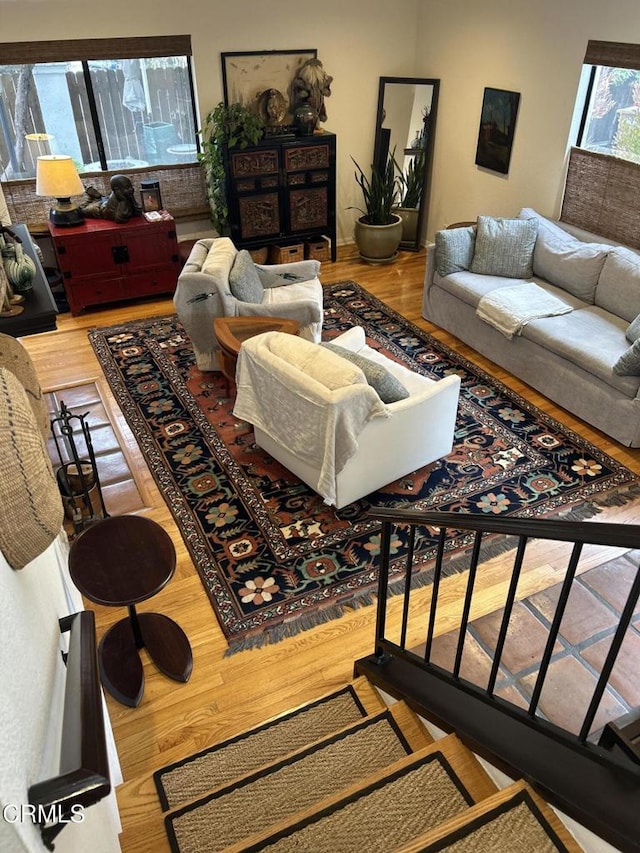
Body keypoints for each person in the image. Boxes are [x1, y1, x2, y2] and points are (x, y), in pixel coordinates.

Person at [292, 58, 333, 126]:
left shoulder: (320, 83)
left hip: (316, 109)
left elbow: (326, 93)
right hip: (306, 113)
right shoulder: (304, 83)